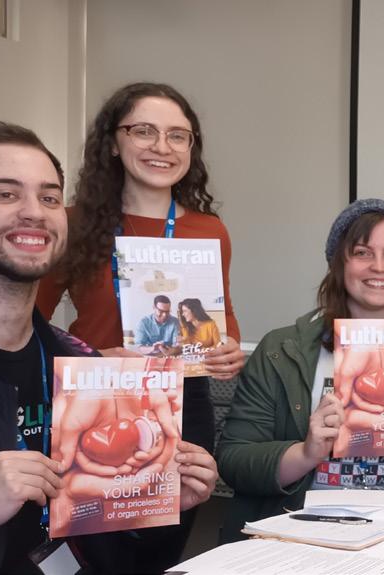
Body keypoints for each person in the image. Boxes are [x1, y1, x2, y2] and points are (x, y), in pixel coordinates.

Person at [0, 122, 217, 573]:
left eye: (49, 198)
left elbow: (118, 552)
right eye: (5, 194)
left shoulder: (82, 367)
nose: (33, 212)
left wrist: (158, 504)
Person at [33, 81, 243, 566]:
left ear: (191, 147)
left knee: (161, 551)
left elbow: (223, 319)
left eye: (177, 135)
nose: (161, 147)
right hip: (92, 403)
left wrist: (228, 348)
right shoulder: (71, 224)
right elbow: (29, 326)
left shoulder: (209, 229)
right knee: (98, 558)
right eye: (144, 131)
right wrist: (90, 359)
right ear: (113, 141)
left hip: (182, 403)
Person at [216, 199, 384, 543]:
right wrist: (306, 453)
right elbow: (234, 459)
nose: (379, 267)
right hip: (301, 533)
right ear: (338, 263)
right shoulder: (280, 350)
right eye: (361, 252)